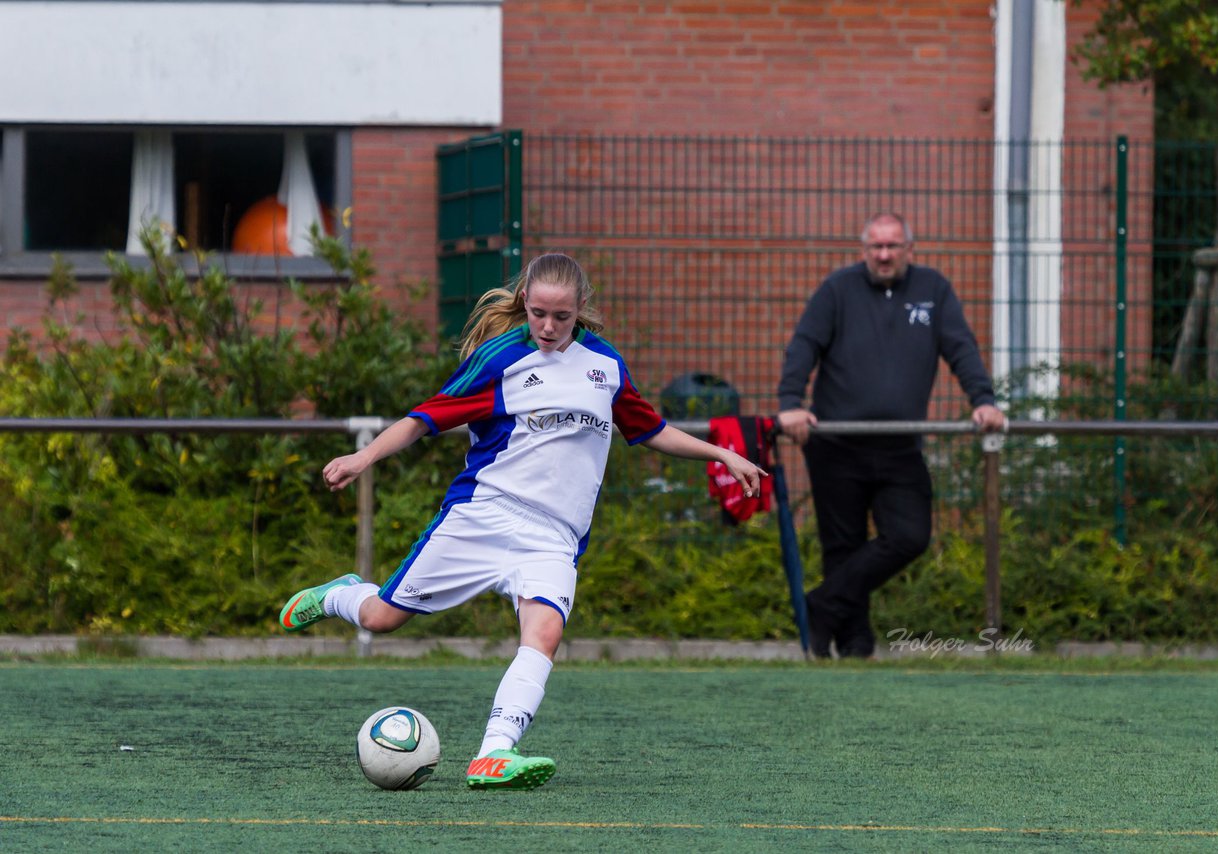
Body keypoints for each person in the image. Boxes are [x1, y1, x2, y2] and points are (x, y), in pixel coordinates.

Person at [279, 252, 766, 790]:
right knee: (379, 619)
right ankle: (340, 595)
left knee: (545, 633)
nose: (548, 327)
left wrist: (723, 454)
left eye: (560, 316)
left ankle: (494, 754)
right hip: (485, 514)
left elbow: (650, 430)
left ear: (581, 309)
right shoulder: (499, 359)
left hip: (555, 536)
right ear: (525, 305)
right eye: (538, 313)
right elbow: (423, 419)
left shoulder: (605, 366)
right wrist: (362, 457)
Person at [777, 213, 1005, 660]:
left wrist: (983, 398)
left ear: (909, 250)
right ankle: (854, 643)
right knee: (841, 546)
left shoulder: (933, 290)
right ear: (865, 250)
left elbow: (960, 346)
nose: (883, 254)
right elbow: (805, 343)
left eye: (892, 246)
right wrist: (790, 403)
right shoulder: (837, 290)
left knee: (909, 535)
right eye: (875, 246)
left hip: (900, 447)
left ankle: (820, 606)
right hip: (837, 445)